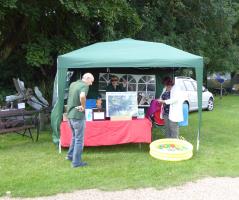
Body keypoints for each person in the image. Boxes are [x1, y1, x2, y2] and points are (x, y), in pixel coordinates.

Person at [66, 73, 94, 168]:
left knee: (74, 137)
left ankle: (70, 156)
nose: (91, 84)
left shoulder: (73, 84)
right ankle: (76, 162)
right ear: (87, 78)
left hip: (70, 115)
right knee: (79, 140)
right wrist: (83, 106)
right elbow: (82, 96)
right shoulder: (84, 86)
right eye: (91, 81)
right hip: (78, 115)